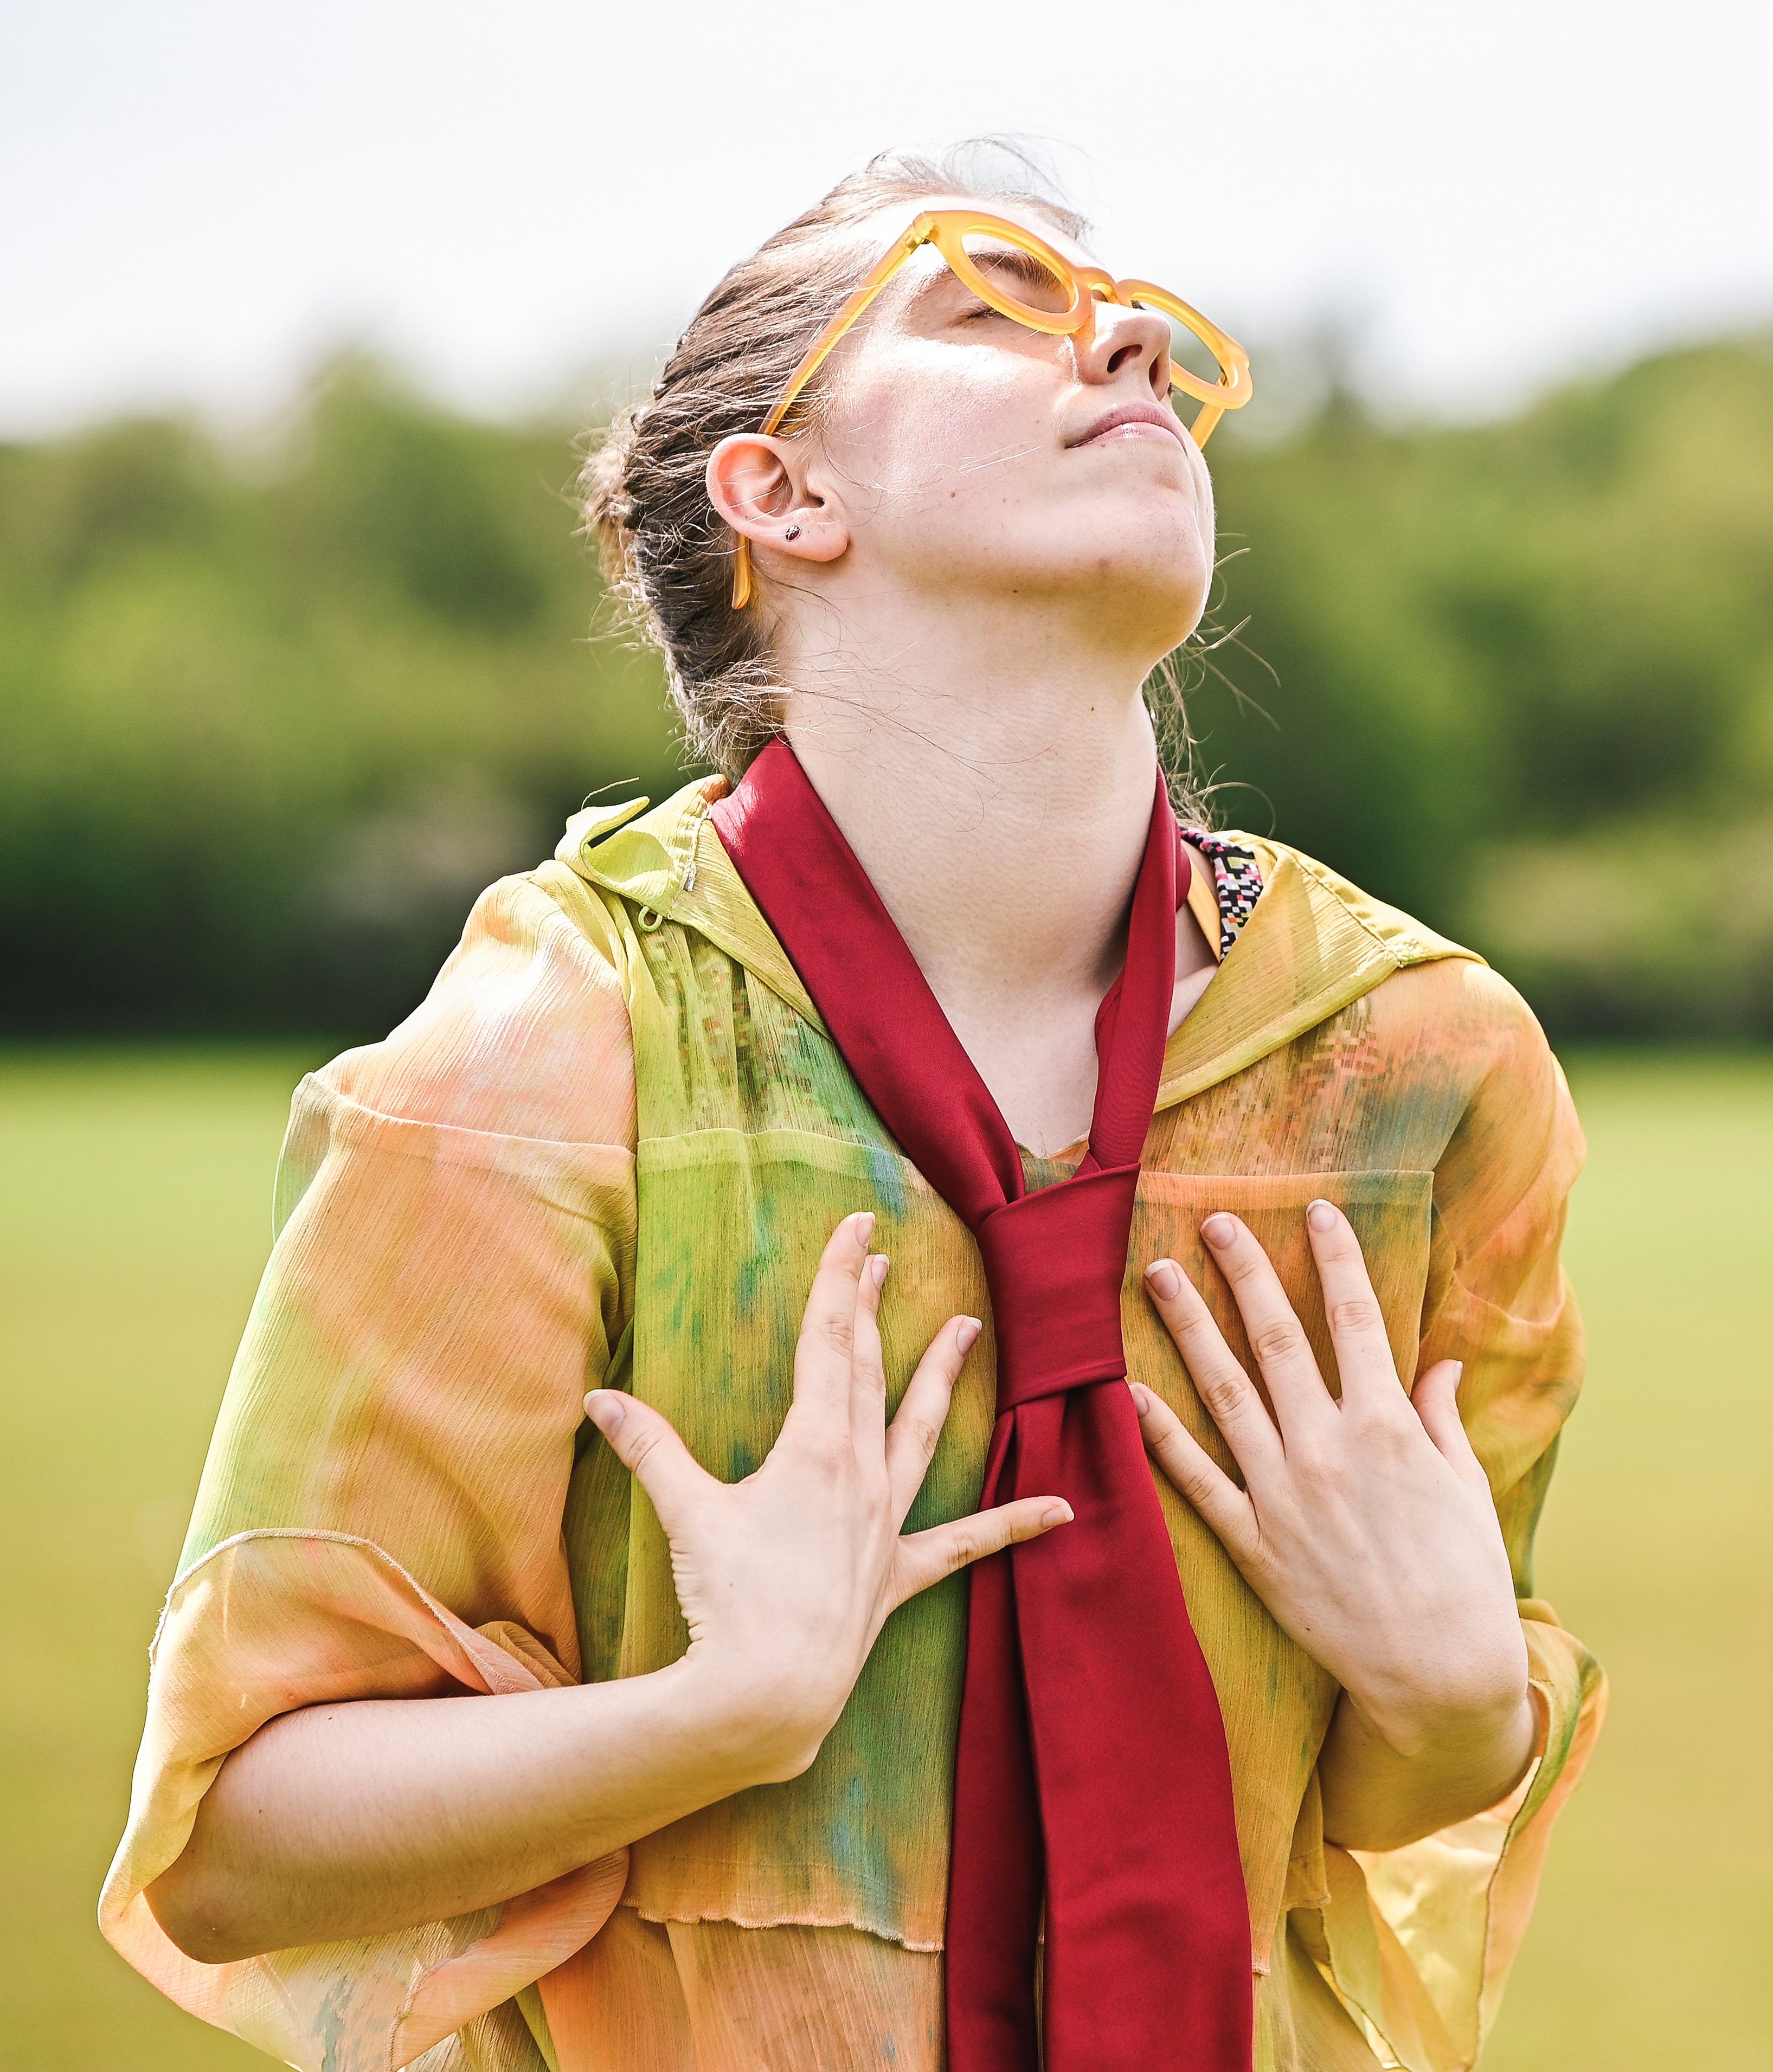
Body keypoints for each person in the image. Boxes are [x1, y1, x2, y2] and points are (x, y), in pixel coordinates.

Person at [98, 145, 1602, 2072]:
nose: (1133, 335)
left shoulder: (1420, 1068)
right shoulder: (547, 1054)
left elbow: (1390, 1786)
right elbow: (232, 1842)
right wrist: (717, 1712)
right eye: (997, 305)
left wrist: (1463, 1699)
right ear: (781, 493)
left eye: (1151, 327)